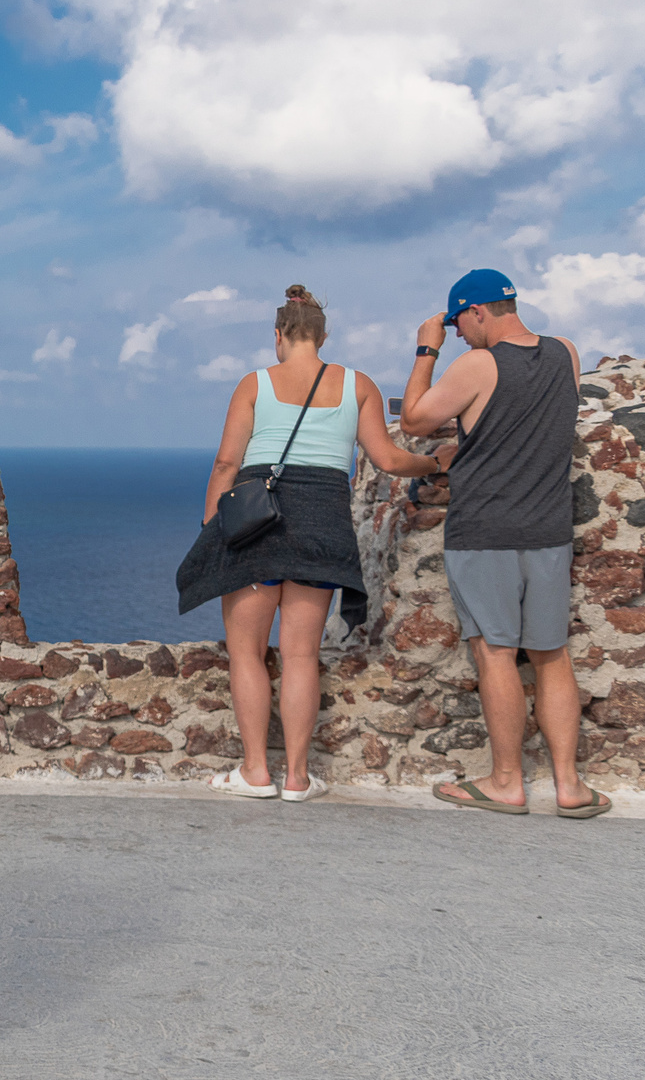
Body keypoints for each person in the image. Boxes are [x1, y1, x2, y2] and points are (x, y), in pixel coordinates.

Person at [176, 286, 450, 801]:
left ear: (278, 335)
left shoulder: (255, 383)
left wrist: (212, 528)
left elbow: (226, 464)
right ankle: (298, 778)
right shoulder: (358, 385)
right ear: (323, 337)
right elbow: (389, 460)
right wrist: (436, 463)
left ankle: (255, 771)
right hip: (324, 525)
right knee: (301, 655)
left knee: (247, 653)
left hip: (255, 526)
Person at [401, 271, 607, 818]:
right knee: (551, 655)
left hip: (485, 531)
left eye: (458, 323)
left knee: (495, 653)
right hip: (549, 530)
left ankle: (506, 782)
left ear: (476, 312)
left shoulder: (478, 365)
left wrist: (426, 349)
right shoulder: (566, 352)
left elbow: (415, 420)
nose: (458, 334)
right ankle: (570, 786)